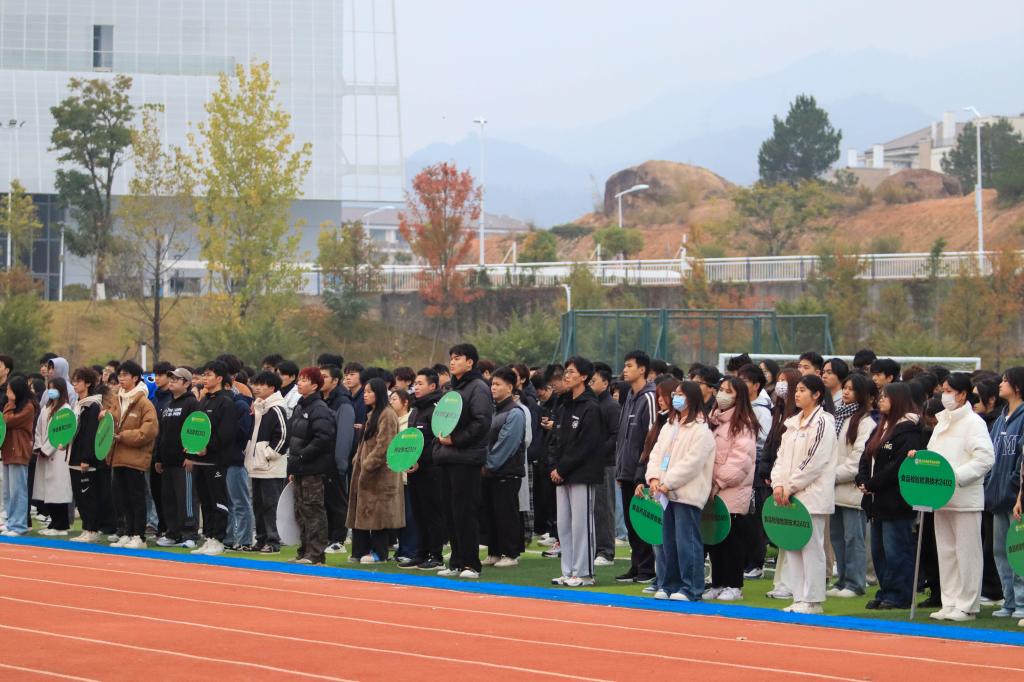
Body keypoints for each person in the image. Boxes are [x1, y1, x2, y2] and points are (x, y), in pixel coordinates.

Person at [924, 372, 995, 622]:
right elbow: (932, 455)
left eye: (948, 391)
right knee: (947, 553)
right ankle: (950, 602)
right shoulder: (942, 421)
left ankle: (967, 606)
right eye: (943, 390)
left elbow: (985, 458)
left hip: (964, 499)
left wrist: (954, 477)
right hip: (940, 499)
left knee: (967, 554)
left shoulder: (974, 423)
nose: (944, 396)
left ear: (962, 394)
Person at [771, 374, 837, 615]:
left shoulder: (823, 422)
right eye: (796, 390)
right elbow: (780, 458)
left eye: (802, 390)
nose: (797, 394)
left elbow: (814, 461)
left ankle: (813, 600)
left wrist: (790, 486)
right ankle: (799, 596)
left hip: (812, 496)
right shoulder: (792, 423)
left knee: (811, 548)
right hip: (788, 495)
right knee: (792, 546)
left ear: (816, 394)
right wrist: (778, 484)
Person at [644, 380, 716, 601]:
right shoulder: (669, 426)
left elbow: (692, 463)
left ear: (692, 399)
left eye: (680, 394)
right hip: (665, 493)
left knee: (687, 542)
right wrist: (654, 478)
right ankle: (669, 584)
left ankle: (690, 587)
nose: (675, 398)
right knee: (669, 543)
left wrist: (668, 483)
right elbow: (657, 454)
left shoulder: (701, 430)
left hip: (687, 494)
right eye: (675, 394)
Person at [855, 382, 921, 609]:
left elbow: (899, 465)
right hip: (876, 501)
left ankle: (899, 595)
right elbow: (866, 456)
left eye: (886, 396)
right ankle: (886, 591)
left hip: (895, 501)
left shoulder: (909, 429)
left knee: (896, 550)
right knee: (879, 551)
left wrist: (872, 484)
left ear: (899, 400)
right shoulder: (881, 426)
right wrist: (862, 479)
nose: (880, 399)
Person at [434, 344, 493, 579]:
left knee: (465, 512)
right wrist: (439, 446)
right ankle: (456, 562)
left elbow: (481, 422)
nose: (452, 362)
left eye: (458, 358)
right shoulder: (452, 389)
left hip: (467, 459)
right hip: (447, 458)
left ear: (470, 362)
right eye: (451, 358)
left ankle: (471, 564)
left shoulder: (478, 387)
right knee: (450, 512)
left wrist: (455, 440)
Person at [550, 357, 605, 587]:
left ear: (584, 377)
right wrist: (555, 467)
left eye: (572, 372)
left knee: (581, 524)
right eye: (566, 371)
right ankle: (568, 570)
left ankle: (584, 573)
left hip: (582, 474)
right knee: (564, 524)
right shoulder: (565, 405)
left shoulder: (591, 407)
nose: (567, 375)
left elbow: (586, 444)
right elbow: (557, 440)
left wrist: (562, 468)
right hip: (562, 475)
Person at [704, 376, 759, 602]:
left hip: (732, 491)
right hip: (712, 491)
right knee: (715, 539)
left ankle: (734, 584)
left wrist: (718, 482)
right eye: (722, 390)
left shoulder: (743, 424)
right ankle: (718, 582)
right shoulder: (715, 421)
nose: (722, 395)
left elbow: (740, 460)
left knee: (732, 540)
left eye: (729, 391)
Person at [829, 373, 876, 599]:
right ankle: (842, 581)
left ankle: (856, 583)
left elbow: (857, 461)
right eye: (845, 388)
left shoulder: (866, 423)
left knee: (854, 539)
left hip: (852, 490)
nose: (846, 392)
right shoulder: (838, 416)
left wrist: (830, 476)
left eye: (852, 389)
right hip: (834, 489)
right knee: (837, 538)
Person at [347, 377, 402, 563]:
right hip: (366, 473)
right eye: (365, 391)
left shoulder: (387, 414)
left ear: (379, 393)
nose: (366, 395)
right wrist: (358, 461)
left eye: (370, 391)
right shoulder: (372, 413)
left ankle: (379, 553)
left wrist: (367, 465)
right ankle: (359, 551)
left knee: (379, 515)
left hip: (380, 474)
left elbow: (384, 445)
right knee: (362, 512)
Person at [614, 350, 658, 584]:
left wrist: (644, 473)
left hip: (642, 474)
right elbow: (623, 438)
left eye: (629, 366)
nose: (625, 370)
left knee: (644, 522)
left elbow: (651, 439)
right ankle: (636, 565)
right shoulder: (629, 396)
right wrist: (621, 470)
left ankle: (647, 568)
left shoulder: (649, 397)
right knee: (632, 523)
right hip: (627, 472)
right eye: (624, 365)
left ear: (642, 370)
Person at [286, 367, 336, 565]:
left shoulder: (319, 408)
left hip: (314, 469)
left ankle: (315, 554)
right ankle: (304, 550)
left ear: (315, 386)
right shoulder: (300, 407)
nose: (299, 383)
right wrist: (293, 466)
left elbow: (323, 438)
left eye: (305, 380)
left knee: (313, 510)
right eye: (299, 379)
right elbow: (294, 438)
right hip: (299, 468)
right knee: (300, 510)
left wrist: (302, 455)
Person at [986, 367, 1024, 619]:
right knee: (1000, 551)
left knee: (1018, 550)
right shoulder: (1000, 418)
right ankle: (1009, 601)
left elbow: (1021, 460)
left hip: (1015, 497)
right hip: (996, 496)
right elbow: (990, 455)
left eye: (1005, 381)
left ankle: (1021, 602)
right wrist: (990, 484)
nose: (1000, 384)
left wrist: (1013, 487)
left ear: (1017, 386)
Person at [108, 360, 159, 550]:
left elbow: (149, 431)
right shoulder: (117, 400)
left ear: (136, 378)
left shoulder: (144, 403)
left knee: (137, 498)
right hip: (118, 457)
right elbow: (109, 424)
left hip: (135, 459)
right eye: (120, 375)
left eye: (125, 375)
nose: (121, 379)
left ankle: (139, 536)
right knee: (122, 498)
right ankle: (128, 533)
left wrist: (123, 436)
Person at [190, 360, 238, 556]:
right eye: (204, 374)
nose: (205, 378)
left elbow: (226, 434)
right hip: (200, 461)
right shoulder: (203, 401)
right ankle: (209, 537)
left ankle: (219, 539)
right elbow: (195, 428)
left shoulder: (226, 402)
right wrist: (192, 447)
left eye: (209, 375)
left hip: (217, 461)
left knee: (218, 500)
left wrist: (207, 447)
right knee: (205, 501)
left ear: (219, 378)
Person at [399, 368, 445, 570]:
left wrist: (421, 460)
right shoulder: (416, 409)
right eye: (415, 384)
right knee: (418, 513)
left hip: (431, 470)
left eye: (420, 383)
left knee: (432, 513)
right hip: (414, 470)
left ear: (432, 386)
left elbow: (436, 441)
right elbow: (411, 439)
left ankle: (436, 555)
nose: (415, 387)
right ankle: (421, 553)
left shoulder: (437, 409)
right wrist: (407, 459)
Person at [481, 366, 526, 568]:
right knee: (491, 513)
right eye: (492, 384)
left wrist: (488, 465)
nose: (493, 388)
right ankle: (494, 551)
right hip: (490, 472)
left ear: (510, 387)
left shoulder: (515, 412)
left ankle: (510, 553)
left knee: (506, 513)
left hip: (507, 471)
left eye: (498, 384)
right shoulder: (494, 410)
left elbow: (507, 444)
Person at [154, 367, 200, 549]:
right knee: (169, 500)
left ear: (186, 383)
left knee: (186, 499)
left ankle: (190, 534)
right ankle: (173, 534)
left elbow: (196, 432)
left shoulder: (192, 403)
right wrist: (158, 457)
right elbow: (162, 433)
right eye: (171, 378)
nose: (172, 381)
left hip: (184, 462)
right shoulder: (167, 405)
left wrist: (190, 456)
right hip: (167, 461)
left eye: (176, 379)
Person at [245, 370, 290, 554]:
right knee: (258, 505)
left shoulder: (276, 408)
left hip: (271, 467)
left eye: (261, 384)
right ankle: (261, 539)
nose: (256, 388)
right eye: (255, 384)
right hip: (256, 465)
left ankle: (273, 541)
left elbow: (283, 436)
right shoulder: (259, 407)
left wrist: (267, 454)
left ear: (272, 388)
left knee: (271, 505)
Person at [320, 365, 356, 556]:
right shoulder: (321, 400)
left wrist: (340, 462)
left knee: (338, 501)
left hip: (336, 461)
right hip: (322, 460)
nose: (321, 380)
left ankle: (338, 539)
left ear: (335, 380)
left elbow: (344, 434)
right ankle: (328, 536)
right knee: (325, 501)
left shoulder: (343, 402)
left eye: (325, 377)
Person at [67, 368, 106, 543]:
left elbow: (91, 434)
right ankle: (85, 528)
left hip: (86, 460)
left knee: (88, 495)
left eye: (78, 381)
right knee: (79, 496)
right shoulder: (78, 404)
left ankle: (93, 529)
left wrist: (86, 458)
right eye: (73, 381)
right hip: (73, 456)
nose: (75, 384)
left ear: (88, 383)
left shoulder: (93, 405)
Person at [33, 378, 75, 535]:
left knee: (58, 492)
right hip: (43, 455)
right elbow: (38, 429)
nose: (51, 391)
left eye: (54, 388)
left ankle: (61, 525)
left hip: (58, 454)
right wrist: (38, 446)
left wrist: (46, 449)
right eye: (49, 388)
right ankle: (54, 522)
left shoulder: (66, 410)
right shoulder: (46, 407)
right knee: (47, 492)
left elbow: (61, 434)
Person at [589, 362, 621, 567]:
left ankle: (606, 551)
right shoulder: (591, 403)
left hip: (605, 464)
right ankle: (594, 548)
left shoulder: (611, 406)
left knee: (604, 508)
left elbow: (615, 435)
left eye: (594, 380)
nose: (590, 384)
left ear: (606, 383)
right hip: (590, 464)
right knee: (592, 508)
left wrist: (598, 452)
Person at [1, 378, 36, 536]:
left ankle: (19, 525)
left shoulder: (28, 407)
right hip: (8, 451)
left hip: (19, 452)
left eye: (10, 390)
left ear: (17, 391)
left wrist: (9, 403)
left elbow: (8, 421)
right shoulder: (13, 405)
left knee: (18, 491)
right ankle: (11, 522)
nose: (7, 393)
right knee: (8, 492)